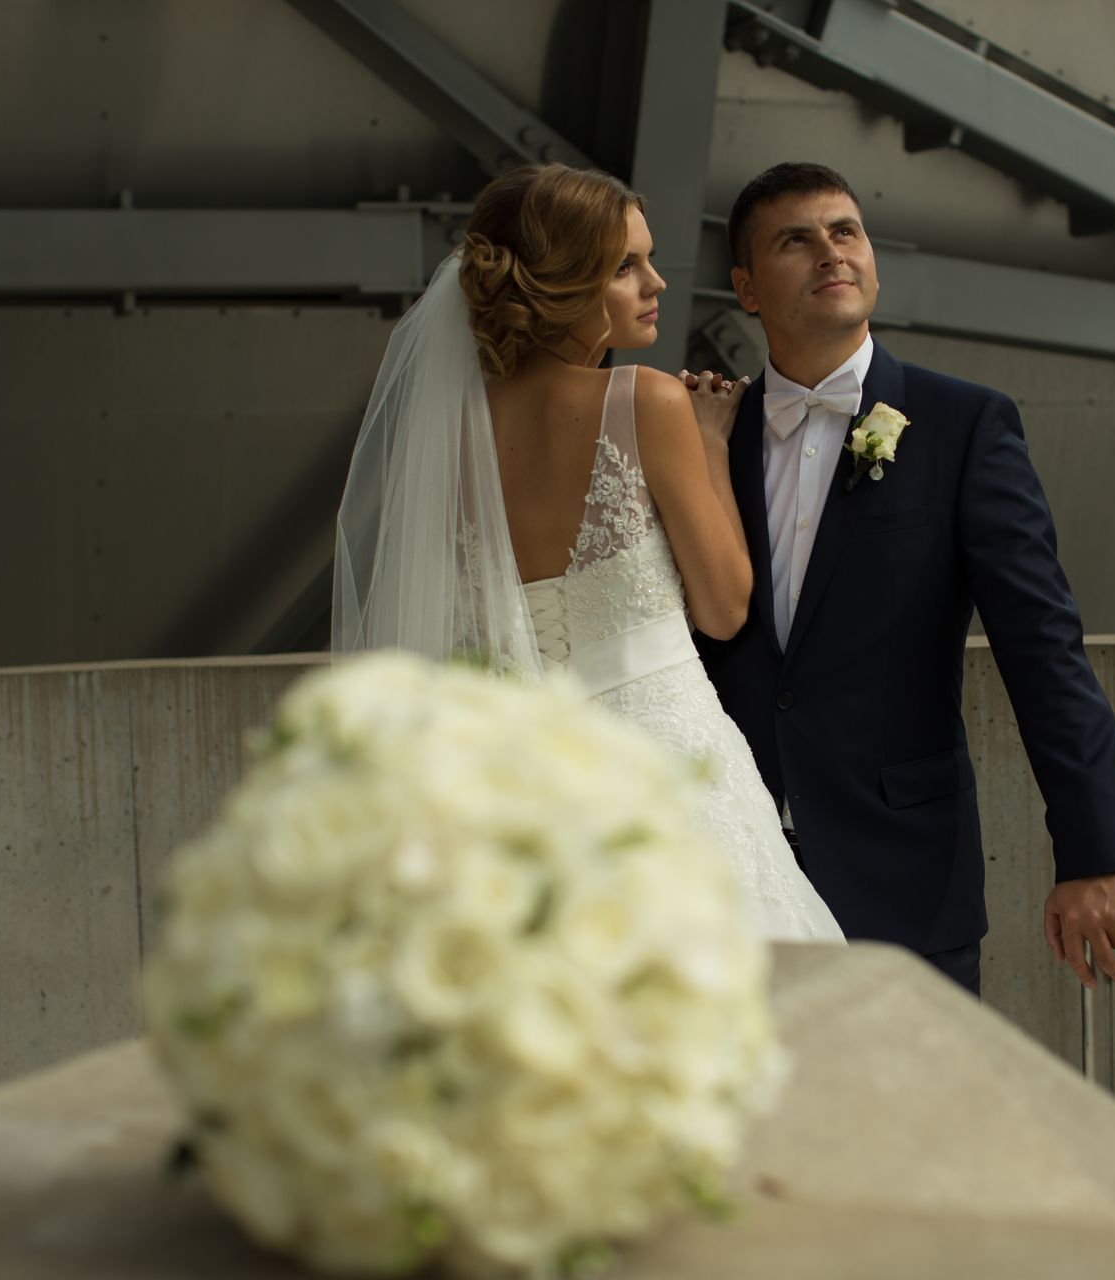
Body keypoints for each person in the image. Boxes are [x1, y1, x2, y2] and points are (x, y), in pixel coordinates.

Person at [331, 163, 841, 943]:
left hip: (523, 789)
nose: (656, 282)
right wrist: (707, 442)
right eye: (625, 267)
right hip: (669, 771)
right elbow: (726, 607)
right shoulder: (646, 401)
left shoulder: (447, 440)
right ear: (561, 284)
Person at [693, 162, 1115, 997]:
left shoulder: (965, 425)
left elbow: (1043, 647)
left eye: (846, 232)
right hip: (722, 873)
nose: (832, 253)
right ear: (747, 289)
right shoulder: (702, 434)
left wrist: (1097, 851)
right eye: (796, 241)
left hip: (901, 878)